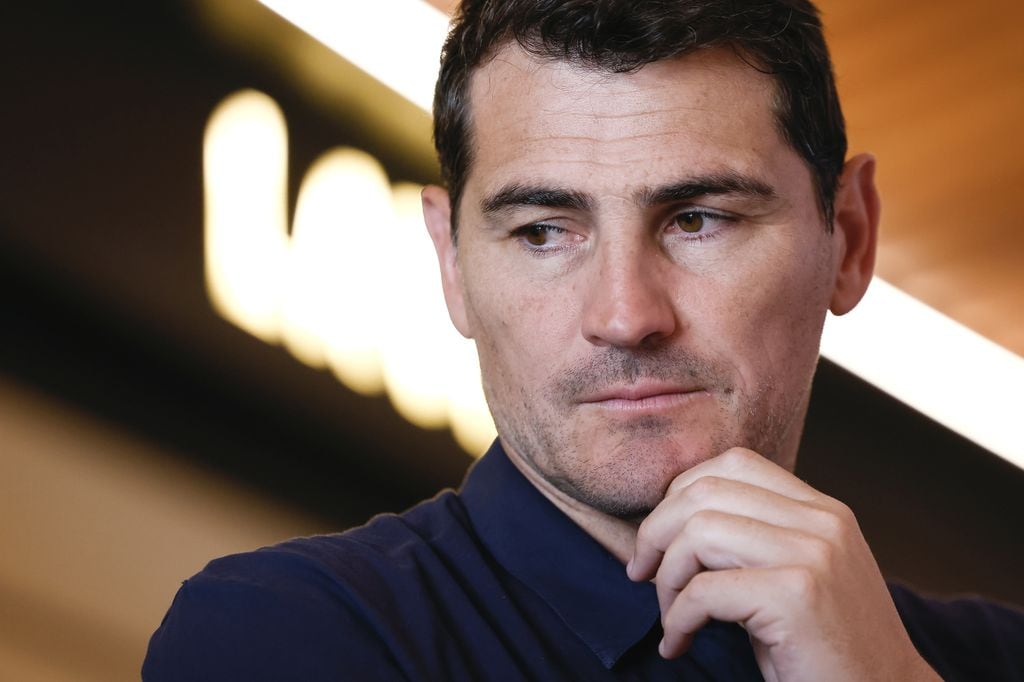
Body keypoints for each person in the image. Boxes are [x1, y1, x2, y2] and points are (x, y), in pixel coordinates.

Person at [144, 1, 1024, 679]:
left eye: (698, 219)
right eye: (543, 231)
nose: (625, 313)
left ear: (850, 237)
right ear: (452, 265)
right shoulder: (288, 635)